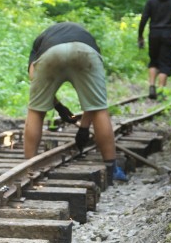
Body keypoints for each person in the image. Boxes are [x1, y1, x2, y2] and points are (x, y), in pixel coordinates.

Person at [23, 22, 128, 183]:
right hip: (84, 51)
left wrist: (57, 105)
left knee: (36, 111)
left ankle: (29, 167)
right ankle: (112, 168)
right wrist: (83, 128)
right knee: (100, 109)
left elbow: (34, 79)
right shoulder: (87, 37)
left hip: (51, 53)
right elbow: (93, 103)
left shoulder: (40, 42)